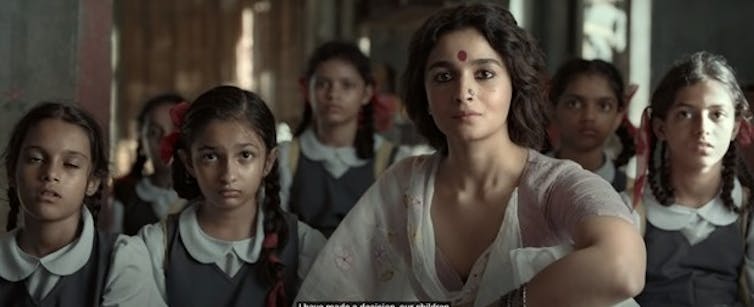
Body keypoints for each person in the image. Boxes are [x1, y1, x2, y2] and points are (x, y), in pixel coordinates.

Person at [296, 3, 645, 306]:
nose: (464, 92)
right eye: (444, 76)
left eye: (484, 74)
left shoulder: (556, 185)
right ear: (424, 93)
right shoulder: (404, 185)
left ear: (516, 85)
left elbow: (623, 269)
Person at [137, 86, 326, 307]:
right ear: (188, 162)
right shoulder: (155, 247)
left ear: (269, 161)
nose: (228, 175)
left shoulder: (305, 246)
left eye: (245, 155)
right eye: (210, 156)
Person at [0, 102, 163, 306]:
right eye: (35, 159)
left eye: (70, 164)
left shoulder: (121, 259)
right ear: (12, 172)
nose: (50, 174)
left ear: (92, 182)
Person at [627, 52, 754, 306]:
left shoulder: (748, 212)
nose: (702, 128)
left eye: (717, 115)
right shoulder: (632, 208)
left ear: (735, 128)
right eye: (685, 114)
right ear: (661, 128)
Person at [279, 41, 407, 237]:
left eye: (347, 85)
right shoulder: (286, 158)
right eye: (322, 84)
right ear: (307, 89)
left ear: (366, 93)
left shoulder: (391, 160)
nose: (333, 94)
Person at [548, 58, 635, 191]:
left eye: (604, 106)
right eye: (574, 104)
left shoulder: (631, 194)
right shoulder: (525, 180)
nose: (589, 116)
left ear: (618, 116)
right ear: (553, 108)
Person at [111, 93, 187, 235]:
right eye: (154, 132)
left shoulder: (208, 195)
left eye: (176, 130)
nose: (165, 139)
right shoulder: (124, 195)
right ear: (142, 143)